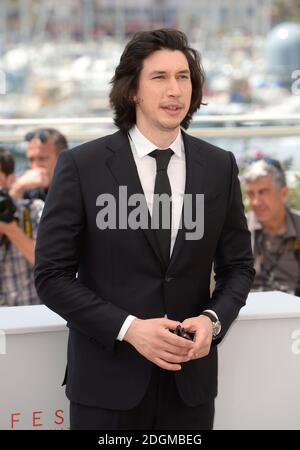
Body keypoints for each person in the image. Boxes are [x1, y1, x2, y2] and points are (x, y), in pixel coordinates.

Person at [34, 29, 254, 430]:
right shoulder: (81, 166)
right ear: (132, 90)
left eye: (183, 77)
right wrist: (129, 329)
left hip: (190, 388)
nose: (175, 90)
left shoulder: (220, 166)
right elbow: (51, 276)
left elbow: (239, 266)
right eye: (159, 77)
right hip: (107, 386)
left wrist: (212, 320)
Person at [243, 158, 300, 295]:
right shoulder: (238, 229)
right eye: (251, 194)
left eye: (263, 192)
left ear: (284, 193)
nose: (255, 202)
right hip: (249, 311)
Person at [0, 147, 44, 306]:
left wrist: (9, 227)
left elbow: (46, 262)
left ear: (10, 179)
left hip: (29, 317)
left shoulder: (34, 210)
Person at [9, 128, 68, 201]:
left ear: (63, 160)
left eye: (42, 159)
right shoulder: (23, 183)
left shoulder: (76, 187)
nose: (35, 166)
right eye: (31, 159)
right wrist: (18, 189)